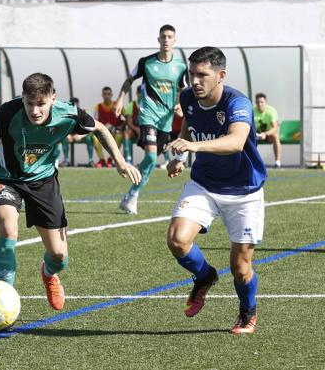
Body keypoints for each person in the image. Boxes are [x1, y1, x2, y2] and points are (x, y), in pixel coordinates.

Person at [0, 73, 141, 311]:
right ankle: (4, 301)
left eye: (41, 104)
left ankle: (49, 274)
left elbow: (100, 128)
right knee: (8, 229)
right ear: (22, 98)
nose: (34, 110)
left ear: (53, 98)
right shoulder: (6, 114)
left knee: (59, 255)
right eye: (29, 103)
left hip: (43, 181)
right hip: (6, 178)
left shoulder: (68, 113)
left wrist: (119, 160)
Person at [165, 46, 267, 335]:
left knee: (240, 266)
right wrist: (180, 157)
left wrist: (194, 147)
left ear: (220, 75)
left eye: (202, 75)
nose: (194, 81)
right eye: (191, 74)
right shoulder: (188, 96)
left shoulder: (238, 103)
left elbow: (235, 141)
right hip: (204, 184)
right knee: (177, 240)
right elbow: (190, 124)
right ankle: (205, 275)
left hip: (244, 191)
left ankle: (248, 312)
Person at [115, 24, 187, 215]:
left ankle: (132, 195)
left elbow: (183, 90)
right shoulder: (145, 62)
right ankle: (132, 193)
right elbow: (129, 80)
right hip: (147, 116)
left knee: (150, 162)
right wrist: (120, 99)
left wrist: (180, 104)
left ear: (175, 40)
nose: (166, 40)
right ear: (158, 39)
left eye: (170, 37)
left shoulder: (180, 66)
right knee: (151, 157)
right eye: (163, 36)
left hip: (166, 121)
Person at [92, 86, 125, 168]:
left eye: (108, 94)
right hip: (102, 132)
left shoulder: (117, 105)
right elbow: (95, 121)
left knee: (119, 136)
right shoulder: (97, 106)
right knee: (94, 138)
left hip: (115, 131)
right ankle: (102, 160)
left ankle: (111, 159)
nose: (107, 96)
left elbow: (127, 118)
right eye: (105, 94)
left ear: (111, 95)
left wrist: (120, 127)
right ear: (102, 95)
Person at [253, 92, 282, 168]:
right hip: (255, 135)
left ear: (265, 102)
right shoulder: (252, 111)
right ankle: (250, 163)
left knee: (275, 136)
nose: (259, 104)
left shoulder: (271, 111)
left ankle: (277, 162)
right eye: (257, 102)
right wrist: (255, 134)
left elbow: (275, 128)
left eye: (262, 102)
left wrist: (265, 134)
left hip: (268, 135)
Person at [68, 97, 95, 167]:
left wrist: (80, 136)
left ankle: (91, 160)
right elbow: (61, 128)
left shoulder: (84, 113)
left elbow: (91, 128)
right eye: (72, 105)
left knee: (89, 139)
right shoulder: (66, 114)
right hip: (69, 136)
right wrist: (67, 135)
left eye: (76, 105)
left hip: (81, 136)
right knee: (62, 140)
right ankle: (65, 160)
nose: (74, 107)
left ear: (78, 105)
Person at [121, 86, 142, 165]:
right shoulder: (131, 105)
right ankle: (128, 159)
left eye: (143, 92)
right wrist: (136, 129)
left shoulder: (149, 104)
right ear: (136, 93)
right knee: (126, 133)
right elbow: (129, 122)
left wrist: (144, 129)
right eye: (139, 92)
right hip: (135, 130)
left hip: (147, 130)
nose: (141, 94)